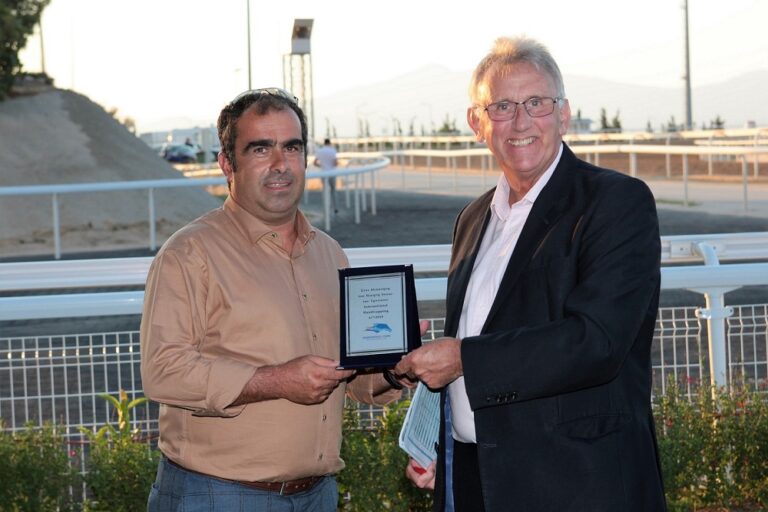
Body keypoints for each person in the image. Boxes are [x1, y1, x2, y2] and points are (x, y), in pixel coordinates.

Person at [394, 36, 667, 511]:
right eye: (502, 106)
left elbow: (596, 342)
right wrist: (442, 443)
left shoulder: (616, 202)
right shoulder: (472, 219)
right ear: (477, 124)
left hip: (578, 489)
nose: (520, 122)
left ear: (564, 115)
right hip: (478, 479)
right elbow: (481, 340)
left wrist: (463, 359)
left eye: (536, 103)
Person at [140, 87, 402, 511]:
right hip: (217, 495)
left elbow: (353, 377)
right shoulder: (189, 253)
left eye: (291, 147)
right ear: (228, 163)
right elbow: (164, 372)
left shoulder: (330, 253)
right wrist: (276, 381)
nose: (280, 164)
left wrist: (395, 368)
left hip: (318, 495)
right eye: (261, 149)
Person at [313, 138, 339, 214]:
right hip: (332, 173)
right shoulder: (333, 150)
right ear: (329, 143)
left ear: (324, 143)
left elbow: (315, 163)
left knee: (325, 191)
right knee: (333, 190)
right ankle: (335, 208)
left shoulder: (320, 151)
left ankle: (326, 208)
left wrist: (321, 166)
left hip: (323, 173)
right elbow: (335, 163)